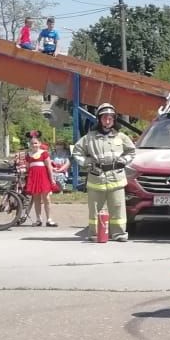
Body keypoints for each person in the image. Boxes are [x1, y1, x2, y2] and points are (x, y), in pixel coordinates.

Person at [71, 103, 136, 242]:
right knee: (95, 209)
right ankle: (95, 234)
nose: (107, 121)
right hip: (96, 178)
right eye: (104, 118)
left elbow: (132, 151)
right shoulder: (89, 138)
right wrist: (87, 163)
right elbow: (77, 152)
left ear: (114, 119)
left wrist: (123, 161)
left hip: (116, 178)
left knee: (118, 208)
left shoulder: (122, 137)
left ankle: (118, 233)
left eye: (110, 118)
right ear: (99, 119)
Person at [23, 131, 57, 227]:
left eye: (36, 143)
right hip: (33, 178)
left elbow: (49, 167)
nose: (34, 145)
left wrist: (52, 179)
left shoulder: (44, 153)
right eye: (32, 143)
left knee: (46, 198)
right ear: (30, 145)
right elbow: (28, 167)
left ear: (40, 144)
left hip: (43, 177)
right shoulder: (28, 155)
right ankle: (38, 219)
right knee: (36, 198)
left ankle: (49, 219)